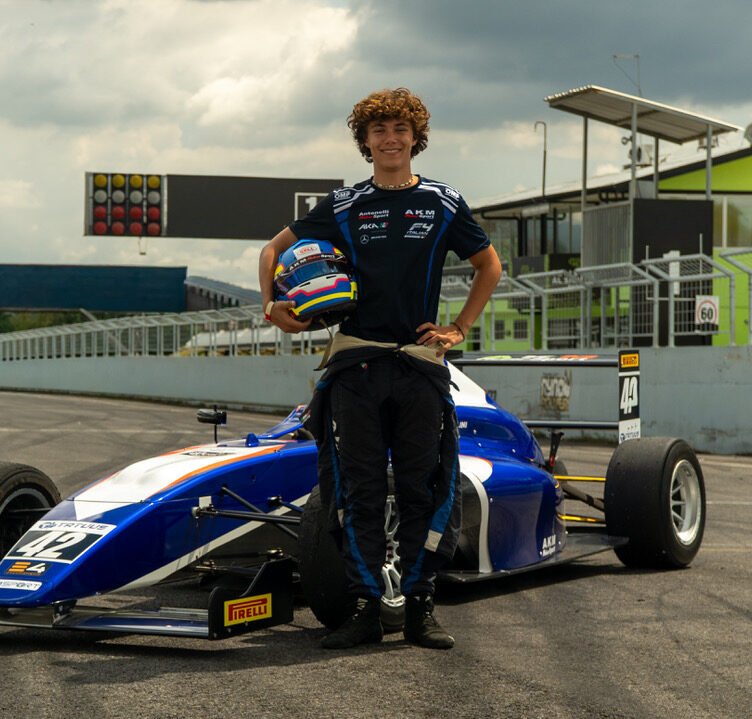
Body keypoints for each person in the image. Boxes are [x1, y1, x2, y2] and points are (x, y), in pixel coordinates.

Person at [258, 87, 501, 650]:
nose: (390, 139)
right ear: (365, 142)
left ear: (416, 138)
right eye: (379, 130)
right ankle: (368, 608)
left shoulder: (443, 202)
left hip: (419, 366)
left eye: (400, 129)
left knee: (424, 488)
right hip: (356, 366)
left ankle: (419, 608)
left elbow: (489, 266)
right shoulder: (344, 204)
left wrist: (459, 327)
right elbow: (271, 251)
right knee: (357, 491)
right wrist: (272, 308)